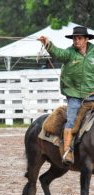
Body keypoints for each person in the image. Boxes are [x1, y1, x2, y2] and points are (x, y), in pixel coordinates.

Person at [39, 26, 94, 166]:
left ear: (86, 39)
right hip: (74, 95)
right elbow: (58, 53)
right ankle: (68, 151)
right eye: (75, 38)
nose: (76, 40)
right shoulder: (69, 53)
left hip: (92, 94)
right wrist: (47, 44)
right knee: (71, 120)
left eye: (79, 38)